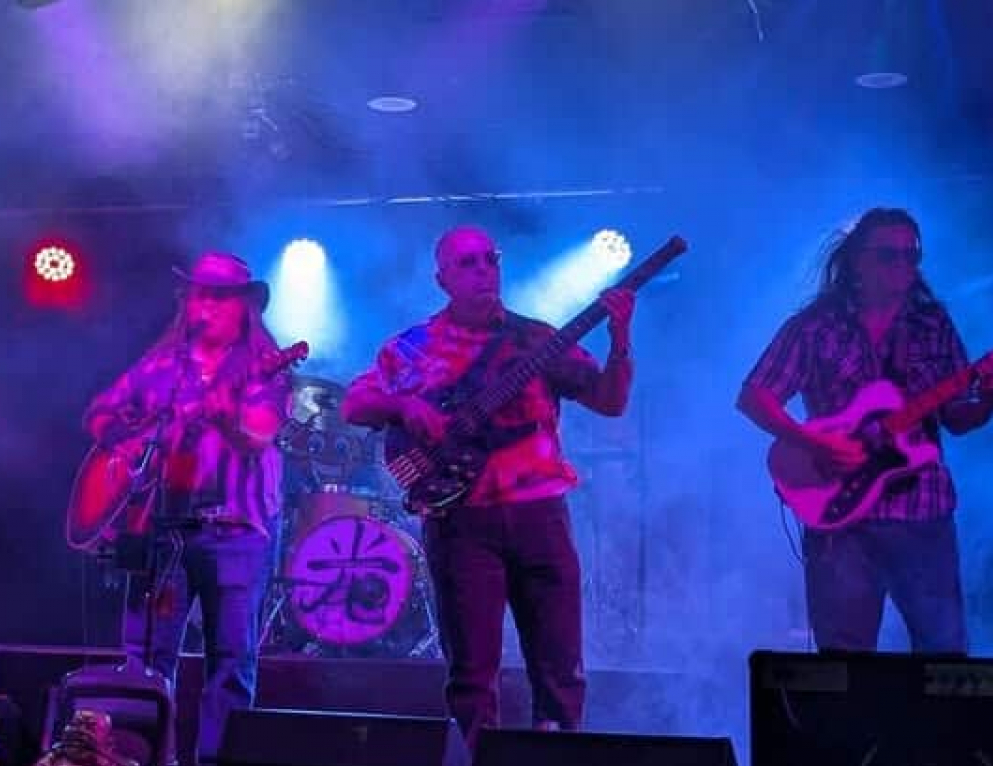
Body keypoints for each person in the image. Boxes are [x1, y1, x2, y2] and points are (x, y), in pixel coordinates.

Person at [340, 225, 635, 746]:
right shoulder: (412, 347)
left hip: (540, 513)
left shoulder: (538, 339)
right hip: (461, 519)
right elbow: (354, 403)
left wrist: (620, 338)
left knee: (561, 663)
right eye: (468, 263)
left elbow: (611, 402)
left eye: (490, 259)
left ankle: (558, 754)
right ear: (442, 280)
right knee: (472, 670)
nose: (483, 271)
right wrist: (404, 406)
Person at [737, 207, 993, 653]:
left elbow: (958, 418)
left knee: (943, 656)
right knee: (844, 664)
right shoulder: (816, 326)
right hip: (839, 517)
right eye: (888, 255)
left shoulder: (933, 325)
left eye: (911, 255)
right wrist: (811, 441)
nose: (902, 265)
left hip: (922, 511)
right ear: (856, 261)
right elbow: (755, 397)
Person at [82, 251, 290, 765]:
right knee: (146, 659)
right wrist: (129, 450)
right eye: (201, 295)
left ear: (244, 307)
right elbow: (99, 413)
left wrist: (224, 420)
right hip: (162, 532)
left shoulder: (264, 366)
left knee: (232, 660)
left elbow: (258, 436)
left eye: (222, 297)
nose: (209, 306)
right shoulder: (161, 367)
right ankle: (148, 757)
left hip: (237, 530)